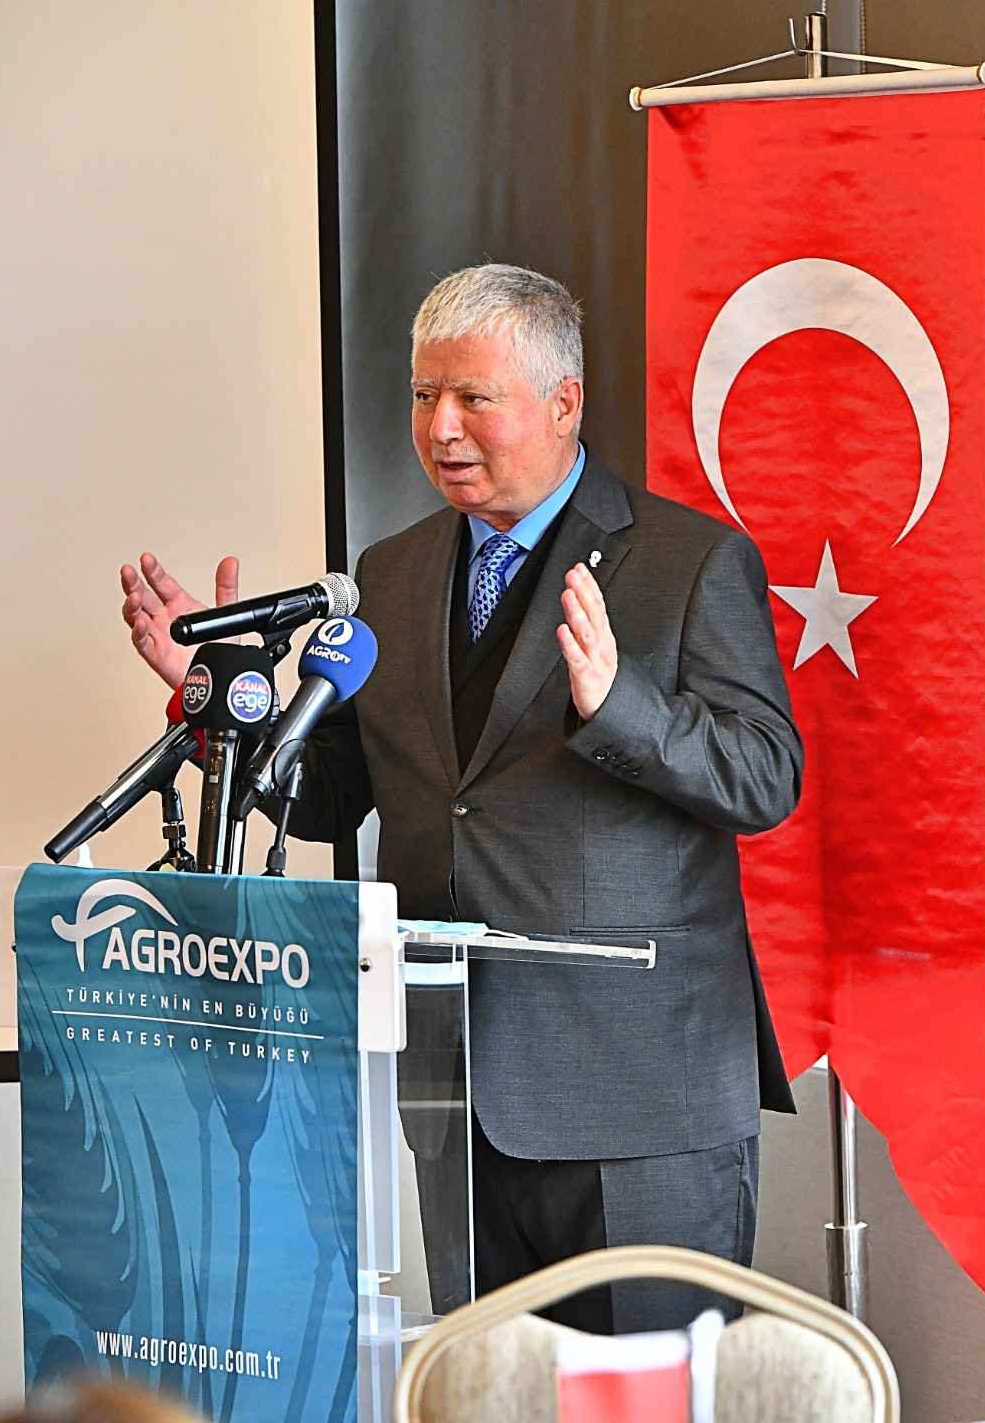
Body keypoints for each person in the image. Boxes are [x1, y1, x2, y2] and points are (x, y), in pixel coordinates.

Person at [120, 263, 802, 1334]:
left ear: (564, 401)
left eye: (473, 398)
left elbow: (764, 776)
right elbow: (332, 793)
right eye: (423, 395)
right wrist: (223, 707)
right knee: (486, 1393)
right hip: (457, 1097)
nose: (441, 427)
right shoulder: (389, 575)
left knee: (651, 1400)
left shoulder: (688, 560)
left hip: (640, 1103)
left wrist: (618, 704)